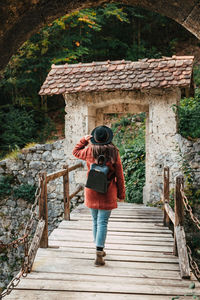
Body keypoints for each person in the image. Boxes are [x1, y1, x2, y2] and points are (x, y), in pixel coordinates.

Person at [72, 125, 125, 266]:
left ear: (95, 138)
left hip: (92, 190)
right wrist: (121, 193)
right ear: (108, 138)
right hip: (108, 191)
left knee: (95, 221)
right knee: (103, 222)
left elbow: (75, 152)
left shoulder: (89, 150)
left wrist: (83, 140)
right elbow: (119, 175)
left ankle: (98, 248)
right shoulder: (114, 152)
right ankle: (99, 250)